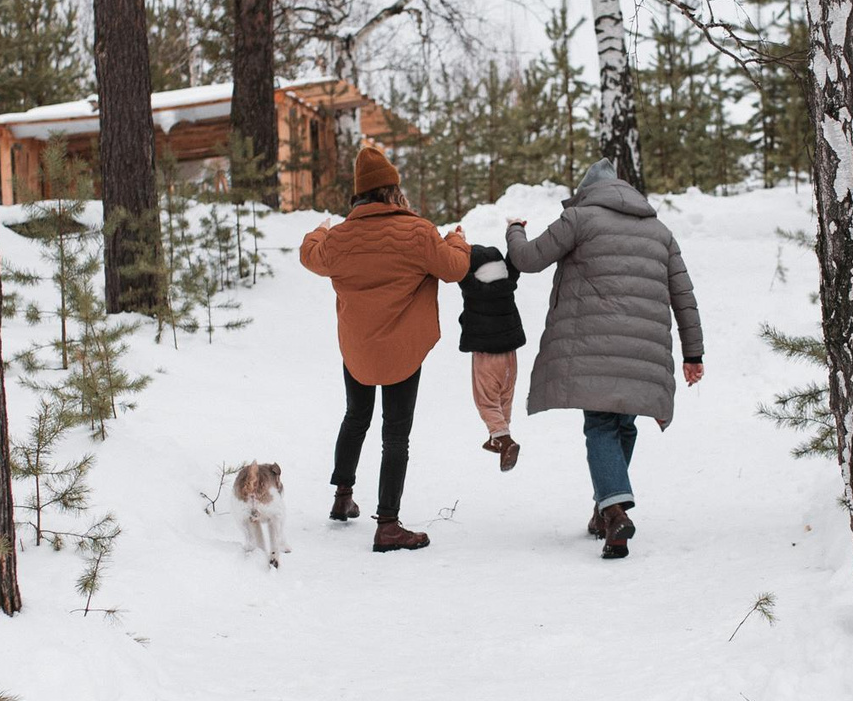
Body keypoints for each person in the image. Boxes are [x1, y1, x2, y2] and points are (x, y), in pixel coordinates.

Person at [507, 158, 704, 561]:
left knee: (600, 425)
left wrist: (513, 230)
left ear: (586, 192)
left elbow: (527, 260)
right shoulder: (659, 231)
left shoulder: (579, 218)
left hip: (593, 348)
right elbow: (684, 295)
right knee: (623, 425)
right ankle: (605, 510)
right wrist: (693, 352)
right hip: (643, 351)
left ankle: (614, 511)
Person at [297, 145, 471, 553]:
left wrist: (319, 230)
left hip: (357, 349)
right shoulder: (419, 232)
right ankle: (388, 525)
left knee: (356, 417)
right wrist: (457, 239)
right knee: (395, 435)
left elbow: (310, 256)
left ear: (358, 195)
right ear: (393, 191)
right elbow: (454, 268)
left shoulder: (339, 238)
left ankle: (342, 496)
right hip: (401, 350)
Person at [457, 240, 525, 471]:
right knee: (504, 397)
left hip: (486, 355)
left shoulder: (473, 289)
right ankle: (499, 436)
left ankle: (504, 439)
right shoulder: (508, 282)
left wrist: (459, 242)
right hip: (510, 356)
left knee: (486, 400)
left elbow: (459, 271)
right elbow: (514, 264)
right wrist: (515, 230)